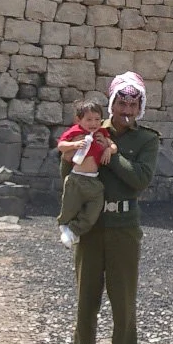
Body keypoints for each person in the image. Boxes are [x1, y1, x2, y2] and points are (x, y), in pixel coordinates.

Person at [66, 72, 160, 344]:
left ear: (140, 107)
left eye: (133, 103)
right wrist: (79, 151)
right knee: (85, 302)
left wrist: (113, 154)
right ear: (112, 102)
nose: (127, 109)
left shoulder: (147, 139)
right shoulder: (93, 129)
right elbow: (69, 171)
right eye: (122, 101)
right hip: (91, 226)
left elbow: (139, 179)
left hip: (124, 228)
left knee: (123, 306)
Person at [56, 100, 117, 247]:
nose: (93, 123)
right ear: (79, 120)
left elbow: (113, 145)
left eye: (97, 119)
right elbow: (61, 146)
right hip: (76, 178)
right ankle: (64, 225)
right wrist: (74, 145)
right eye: (89, 119)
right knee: (69, 207)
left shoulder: (101, 134)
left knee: (94, 210)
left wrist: (109, 150)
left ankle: (74, 230)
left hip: (93, 181)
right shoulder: (75, 132)